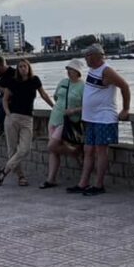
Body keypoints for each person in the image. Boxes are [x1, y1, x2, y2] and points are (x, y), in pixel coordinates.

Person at [68, 44, 131, 197]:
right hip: (90, 118)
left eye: (88, 55)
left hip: (104, 117)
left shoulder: (106, 71)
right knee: (88, 150)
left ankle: (99, 184)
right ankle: (83, 183)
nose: (85, 58)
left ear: (97, 56)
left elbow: (124, 86)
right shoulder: (92, 70)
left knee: (101, 151)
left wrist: (125, 109)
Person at [0, 59, 54, 187]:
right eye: (20, 67)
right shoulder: (12, 81)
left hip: (27, 119)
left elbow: (44, 95)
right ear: (17, 69)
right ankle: (21, 177)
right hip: (13, 117)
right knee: (12, 149)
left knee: (25, 149)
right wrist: (8, 114)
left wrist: (54, 107)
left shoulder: (35, 80)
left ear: (29, 68)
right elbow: (5, 100)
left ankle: (5, 170)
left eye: (25, 66)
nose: (23, 68)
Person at [40, 60, 86, 189]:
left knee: (52, 146)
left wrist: (74, 110)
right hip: (54, 117)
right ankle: (51, 179)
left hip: (68, 121)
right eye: (68, 69)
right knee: (53, 151)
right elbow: (56, 97)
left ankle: (75, 152)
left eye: (71, 69)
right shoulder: (63, 82)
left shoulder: (83, 86)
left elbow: (88, 106)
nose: (68, 71)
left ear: (78, 72)